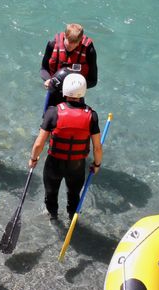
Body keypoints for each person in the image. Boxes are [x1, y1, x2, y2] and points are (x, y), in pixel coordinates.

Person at [28, 73, 103, 221]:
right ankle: (72, 218)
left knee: (51, 194)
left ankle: (53, 218)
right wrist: (97, 164)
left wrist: (33, 159)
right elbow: (97, 148)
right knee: (74, 196)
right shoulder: (92, 115)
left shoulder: (52, 112)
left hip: (54, 164)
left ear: (64, 90)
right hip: (77, 167)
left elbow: (39, 144)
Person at [41, 23, 98, 107]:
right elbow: (43, 69)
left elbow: (93, 81)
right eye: (69, 42)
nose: (71, 46)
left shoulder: (89, 50)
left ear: (80, 41)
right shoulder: (52, 44)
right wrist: (48, 80)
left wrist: (74, 86)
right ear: (64, 35)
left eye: (75, 43)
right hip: (55, 90)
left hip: (75, 96)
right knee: (49, 118)